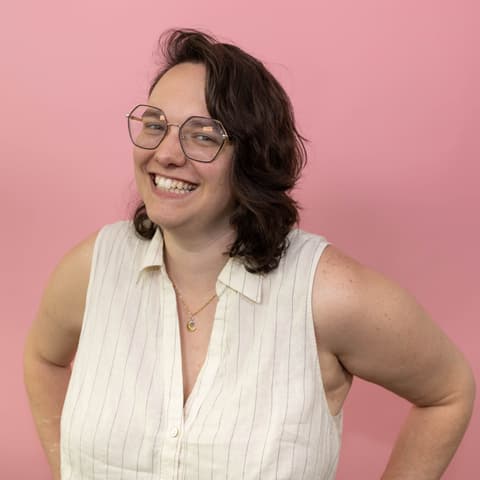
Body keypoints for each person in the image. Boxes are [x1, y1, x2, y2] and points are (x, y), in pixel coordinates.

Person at [24, 29, 475, 480]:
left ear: (253, 157)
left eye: (203, 136)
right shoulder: (92, 269)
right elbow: (42, 360)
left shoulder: (325, 295)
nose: (165, 153)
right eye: (155, 125)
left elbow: (448, 392)